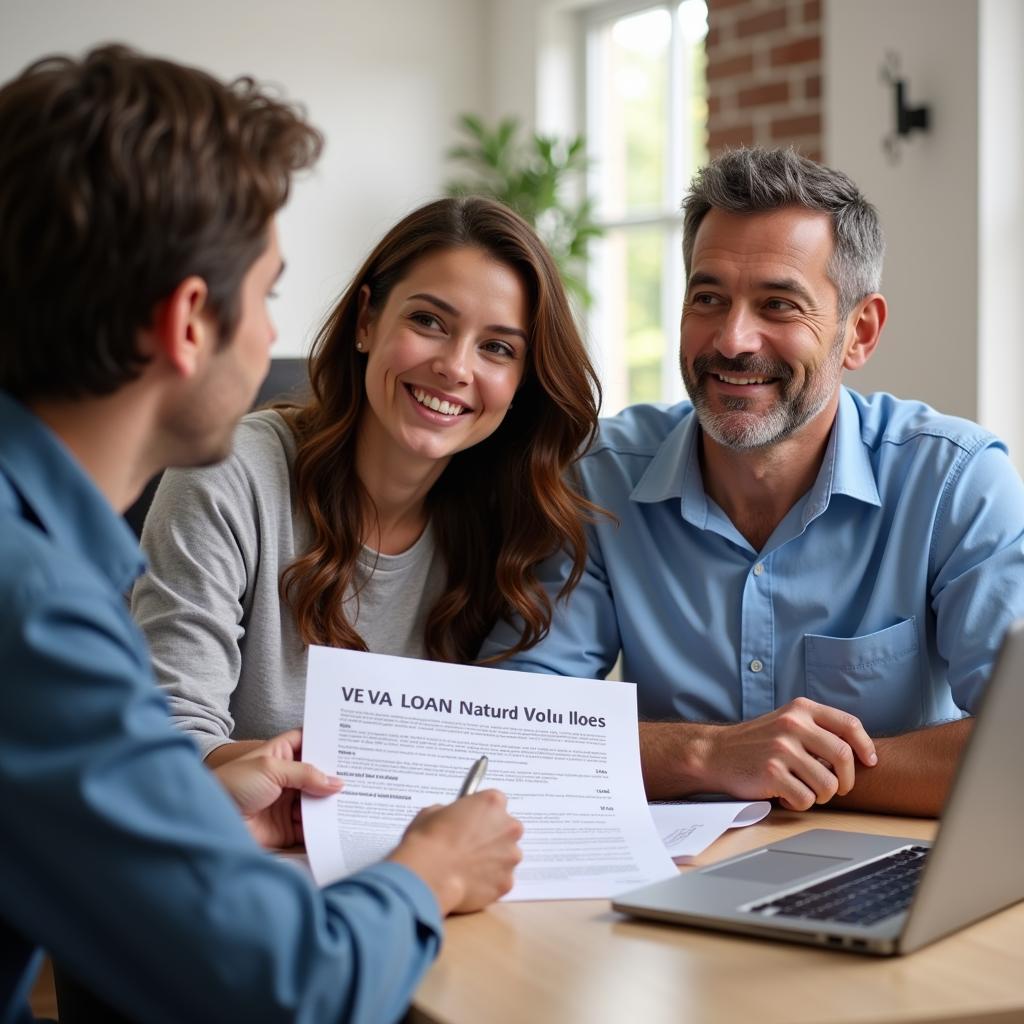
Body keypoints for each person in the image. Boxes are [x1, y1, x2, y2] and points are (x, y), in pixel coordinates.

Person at [0, 44, 522, 1024]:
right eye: (271, 289)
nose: (274, 337)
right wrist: (428, 870)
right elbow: (282, 983)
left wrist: (197, 796)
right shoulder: (34, 610)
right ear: (191, 320)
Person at [483, 146, 1024, 818]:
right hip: (676, 879)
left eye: (778, 304)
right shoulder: (602, 477)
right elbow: (510, 728)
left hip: (879, 871)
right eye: (708, 298)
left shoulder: (956, 483)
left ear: (860, 332)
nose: (734, 338)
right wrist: (709, 754)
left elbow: (1015, 750)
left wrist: (784, 772)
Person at [130, 194, 602, 768]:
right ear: (365, 321)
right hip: (244, 846)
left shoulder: (514, 518)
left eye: (497, 348)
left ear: (523, 381)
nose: (455, 368)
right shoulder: (230, 472)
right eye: (428, 321)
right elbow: (167, 740)